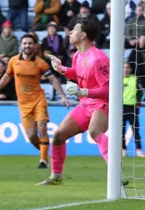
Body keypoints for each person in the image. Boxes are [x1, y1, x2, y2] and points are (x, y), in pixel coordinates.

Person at [40, 18, 111, 185]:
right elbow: (78, 74)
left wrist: (82, 91)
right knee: (58, 135)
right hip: (85, 104)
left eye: (74, 30)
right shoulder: (78, 55)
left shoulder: (98, 58)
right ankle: (55, 177)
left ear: (84, 35)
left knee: (95, 132)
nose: (70, 32)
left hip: (101, 103)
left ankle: (116, 172)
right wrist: (61, 69)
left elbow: (109, 89)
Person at [0, 34, 68, 169]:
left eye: (30, 43)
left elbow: (53, 79)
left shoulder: (40, 63)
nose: (27, 46)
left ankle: (43, 161)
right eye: (25, 43)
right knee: (31, 136)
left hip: (38, 99)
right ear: (21, 45)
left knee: (42, 127)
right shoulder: (14, 61)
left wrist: (63, 96)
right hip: (23, 103)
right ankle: (46, 153)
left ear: (34, 45)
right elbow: (7, 77)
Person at [122, 62, 145, 158]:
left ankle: (139, 150)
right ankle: (123, 150)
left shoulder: (135, 79)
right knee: (120, 131)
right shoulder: (116, 79)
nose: (126, 69)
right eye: (124, 67)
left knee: (135, 130)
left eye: (127, 67)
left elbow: (141, 92)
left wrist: (138, 104)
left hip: (133, 107)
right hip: (120, 108)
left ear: (130, 69)